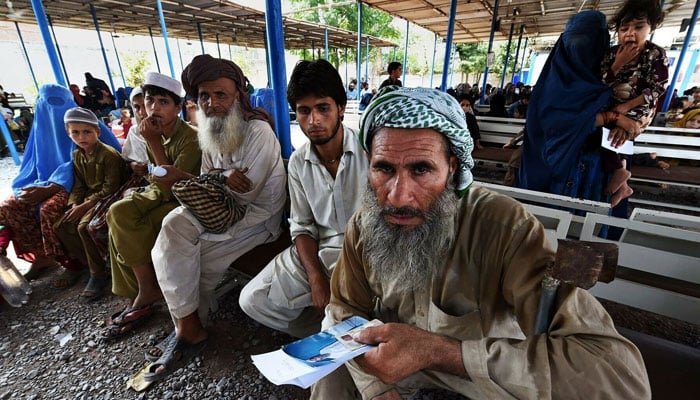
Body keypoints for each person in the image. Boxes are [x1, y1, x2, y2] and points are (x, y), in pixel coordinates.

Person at [325, 86, 650, 399]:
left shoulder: (505, 227)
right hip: (397, 368)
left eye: (421, 169)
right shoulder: (367, 224)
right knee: (329, 375)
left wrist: (440, 351)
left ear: (452, 169)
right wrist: (376, 389)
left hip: (483, 377)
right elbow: (344, 309)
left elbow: (619, 378)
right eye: (383, 169)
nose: (397, 196)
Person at [145, 54, 287, 381]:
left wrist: (196, 178)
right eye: (204, 96)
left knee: (194, 254)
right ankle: (187, 324)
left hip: (256, 219)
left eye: (220, 94)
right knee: (172, 228)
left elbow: (240, 197)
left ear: (238, 94)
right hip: (219, 207)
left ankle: (193, 324)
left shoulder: (258, 132)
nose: (211, 103)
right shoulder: (208, 130)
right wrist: (222, 177)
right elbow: (213, 181)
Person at [240, 59, 368, 339]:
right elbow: (302, 226)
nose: (314, 121)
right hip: (319, 253)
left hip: (367, 257)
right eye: (304, 111)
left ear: (341, 108)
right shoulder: (298, 162)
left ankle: (347, 334)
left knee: (368, 306)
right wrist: (315, 278)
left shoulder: (368, 151)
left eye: (323, 108)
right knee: (252, 299)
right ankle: (331, 336)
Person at [103, 72, 202, 340]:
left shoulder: (189, 138)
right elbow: (154, 179)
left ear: (178, 108)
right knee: (117, 214)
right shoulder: (152, 131)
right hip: (160, 195)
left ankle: (148, 289)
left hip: (185, 202)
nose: (154, 109)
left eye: (163, 102)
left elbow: (173, 187)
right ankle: (138, 290)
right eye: (150, 101)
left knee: (123, 218)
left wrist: (154, 143)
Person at [518, 11, 640, 210]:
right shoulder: (553, 82)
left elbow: (636, 115)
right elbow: (556, 124)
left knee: (587, 230)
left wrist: (623, 128)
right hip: (552, 170)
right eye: (575, 39)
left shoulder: (612, 74)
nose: (580, 47)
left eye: (589, 41)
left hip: (595, 172)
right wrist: (612, 117)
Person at [0, 85, 121, 283]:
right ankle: (42, 257)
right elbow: (31, 163)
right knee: (9, 207)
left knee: (49, 209)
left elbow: (99, 165)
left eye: (60, 104)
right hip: (45, 181)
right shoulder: (41, 128)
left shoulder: (86, 126)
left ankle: (74, 264)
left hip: (77, 184)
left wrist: (54, 186)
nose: (53, 111)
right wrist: (32, 186)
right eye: (47, 104)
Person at [599, 0, 669, 207]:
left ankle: (621, 175)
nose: (630, 33)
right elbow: (601, 83)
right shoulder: (611, 54)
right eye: (624, 29)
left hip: (639, 110)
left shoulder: (654, 54)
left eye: (638, 28)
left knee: (618, 133)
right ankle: (622, 181)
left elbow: (657, 88)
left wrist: (627, 111)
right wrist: (618, 64)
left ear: (651, 28)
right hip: (612, 108)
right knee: (606, 133)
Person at [53, 107, 127, 297]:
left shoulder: (108, 154)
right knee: (61, 225)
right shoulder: (77, 155)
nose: (81, 137)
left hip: (110, 197)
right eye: (75, 132)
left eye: (87, 131)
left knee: (83, 227)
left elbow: (110, 188)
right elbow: (78, 185)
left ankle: (98, 275)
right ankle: (90, 263)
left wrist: (85, 206)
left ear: (98, 132)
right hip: (89, 199)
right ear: (68, 134)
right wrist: (74, 204)